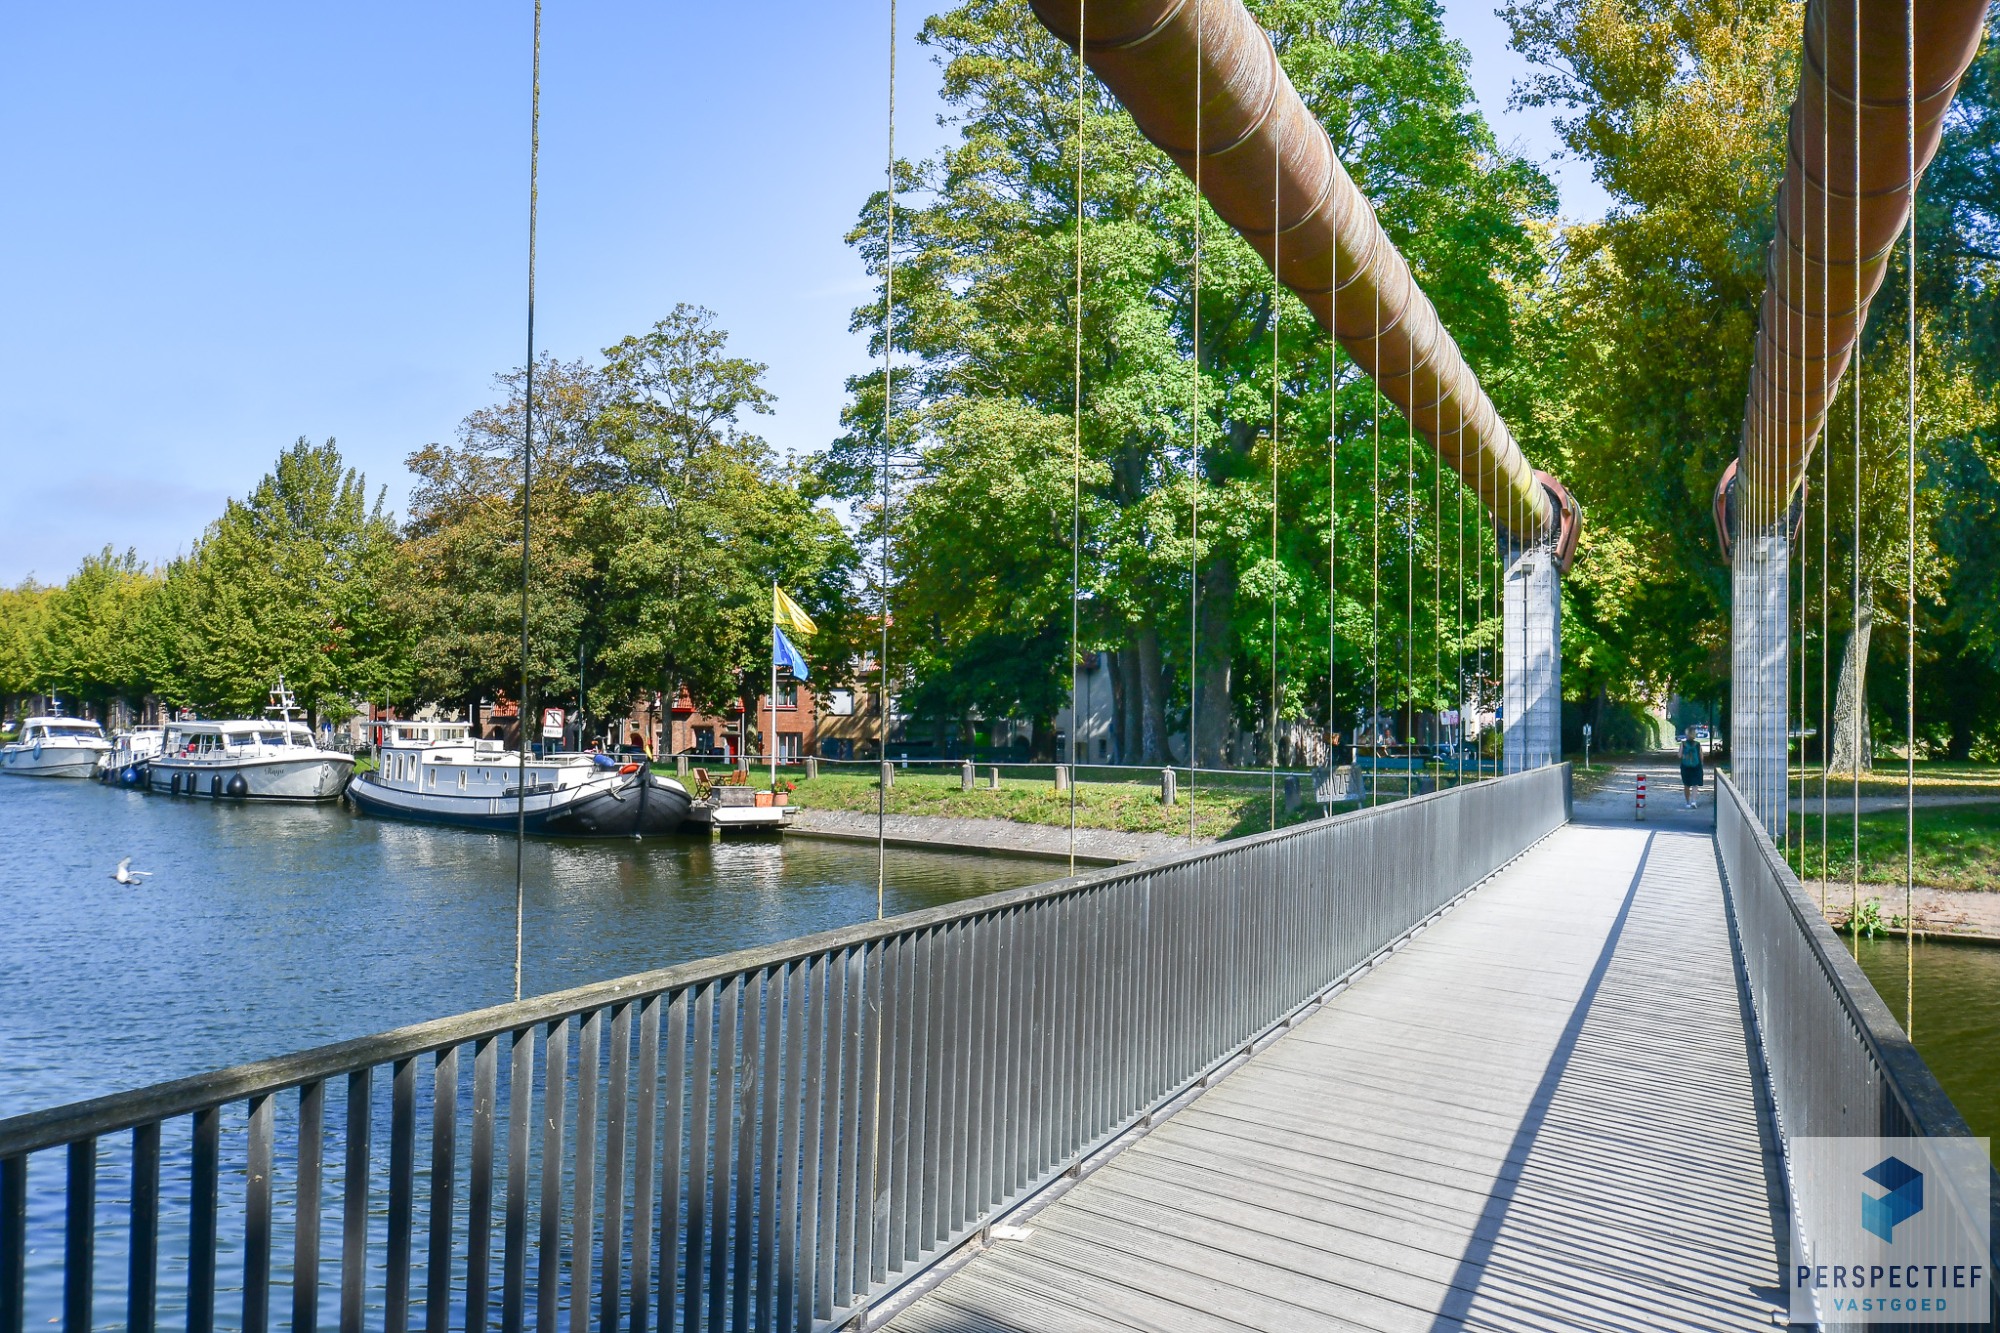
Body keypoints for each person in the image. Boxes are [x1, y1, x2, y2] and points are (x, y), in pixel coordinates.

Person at [1679, 731, 1705, 808]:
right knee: (1695, 784)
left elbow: (1679, 755)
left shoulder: (1683, 744)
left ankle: (1687, 803)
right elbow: (1701, 756)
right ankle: (1694, 801)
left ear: (1686, 735)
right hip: (1696, 766)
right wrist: (1701, 764)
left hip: (1685, 767)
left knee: (1686, 785)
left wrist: (1684, 755)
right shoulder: (1697, 744)